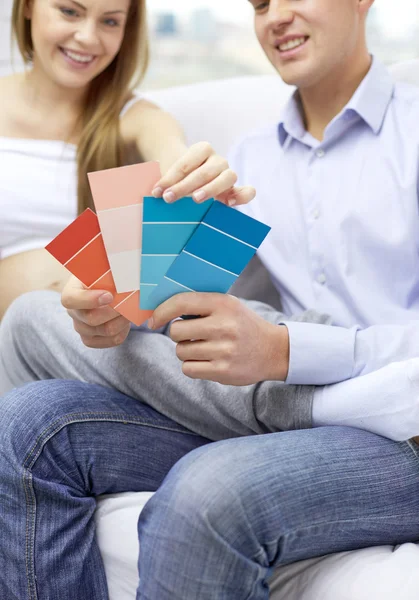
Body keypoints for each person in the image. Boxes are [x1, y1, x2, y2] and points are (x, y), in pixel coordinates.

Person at [1, 0, 419, 598]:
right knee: (27, 387)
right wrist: (118, 309)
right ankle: (319, 403)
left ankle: (321, 398)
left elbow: (271, 341)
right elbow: (197, 313)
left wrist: (285, 350)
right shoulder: (248, 160)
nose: (275, 17)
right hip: (278, 404)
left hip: (408, 430)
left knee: (209, 491)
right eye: (260, 3)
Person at [0, 0, 255, 320]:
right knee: (33, 313)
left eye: (110, 22)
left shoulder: (132, 118)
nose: (88, 38)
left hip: (129, 327)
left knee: (229, 318)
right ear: (27, 7)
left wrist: (194, 176)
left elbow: (167, 146)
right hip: (36, 333)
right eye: (69, 11)